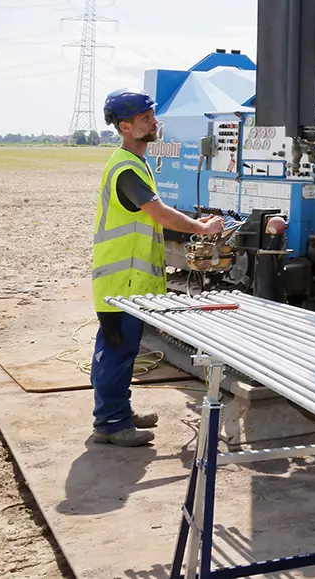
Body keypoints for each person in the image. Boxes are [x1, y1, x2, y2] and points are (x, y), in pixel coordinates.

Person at [91, 89, 223, 446]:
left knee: (126, 350)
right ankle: (110, 422)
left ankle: (117, 410)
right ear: (126, 127)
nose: (155, 121)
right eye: (146, 118)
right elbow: (160, 214)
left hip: (130, 281)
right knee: (115, 350)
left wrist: (197, 221)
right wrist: (202, 228)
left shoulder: (137, 163)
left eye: (152, 115)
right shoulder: (126, 169)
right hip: (119, 282)